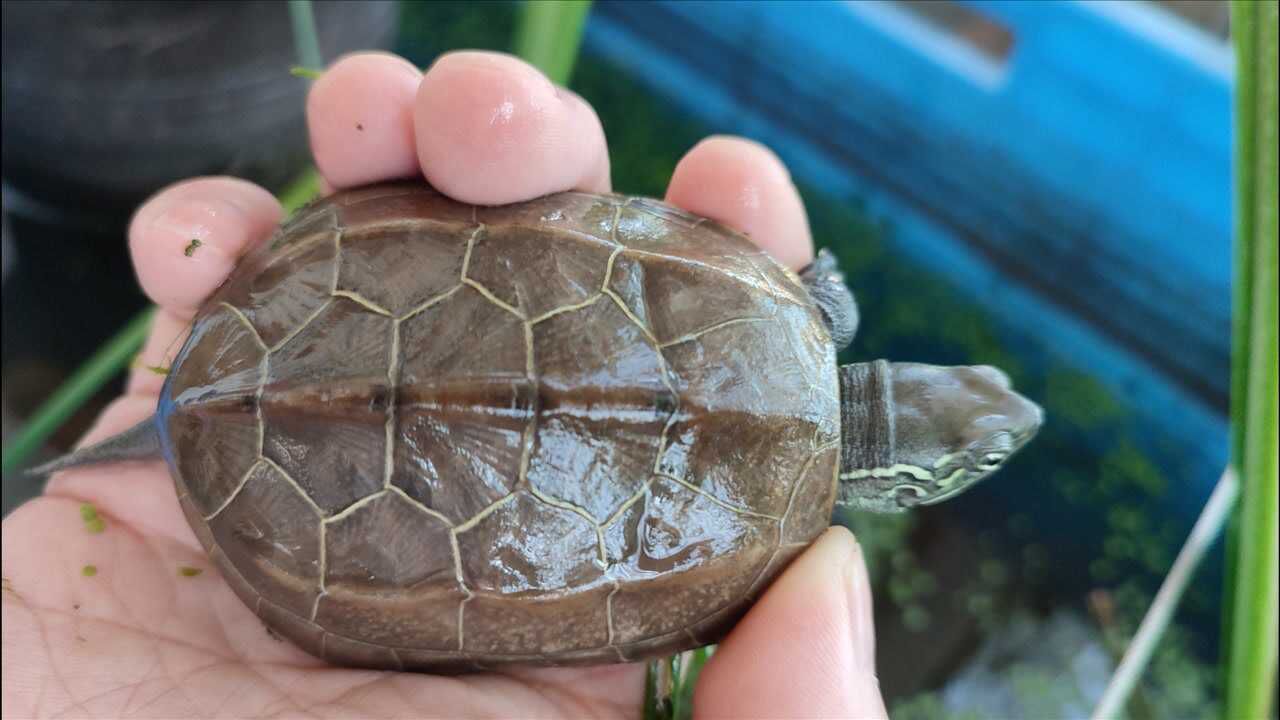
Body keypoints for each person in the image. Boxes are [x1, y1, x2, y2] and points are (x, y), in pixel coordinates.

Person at [0, 51, 888, 720]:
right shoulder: (752, 569)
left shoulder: (783, 308)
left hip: (298, 323)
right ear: (907, 477)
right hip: (287, 542)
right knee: (471, 122)